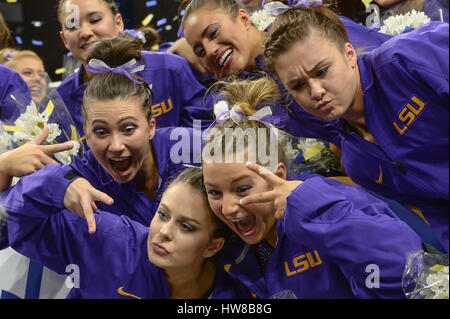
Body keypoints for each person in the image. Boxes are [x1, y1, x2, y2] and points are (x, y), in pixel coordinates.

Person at [200, 76, 424, 298]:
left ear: (278, 175)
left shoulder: (329, 201)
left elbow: (406, 272)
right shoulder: (231, 251)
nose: (228, 208)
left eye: (242, 189)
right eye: (214, 192)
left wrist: (311, 212)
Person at [263, 5, 449, 252]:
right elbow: (435, 208)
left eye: (322, 71)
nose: (316, 91)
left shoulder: (409, 58)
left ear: (349, 54)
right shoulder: (357, 163)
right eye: (298, 86)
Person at [3, 167, 252, 298]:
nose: (163, 232)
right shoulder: (111, 241)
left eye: (186, 227)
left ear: (213, 246)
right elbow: (19, 221)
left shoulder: (234, 292)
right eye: (163, 215)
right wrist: (60, 181)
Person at [173, 0, 391, 141]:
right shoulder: (243, 101)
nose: (210, 50)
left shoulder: (308, 30)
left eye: (213, 32)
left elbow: (392, 76)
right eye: (199, 50)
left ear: (243, 18)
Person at [54, 0, 214, 139]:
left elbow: (207, 133)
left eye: (95, 20)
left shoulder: (170, 68)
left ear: (118, 23)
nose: (85, 33)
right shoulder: (60, 104)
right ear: (64, 39)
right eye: (72, 25)